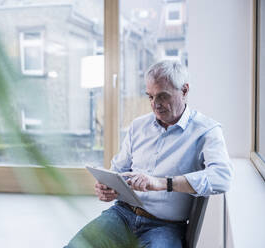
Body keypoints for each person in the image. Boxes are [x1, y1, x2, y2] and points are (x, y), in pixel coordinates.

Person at [65, 60, 233, 248]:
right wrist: (108, 188)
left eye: (162, 96)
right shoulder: (138, 126)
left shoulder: (206, 131)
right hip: (122, 215)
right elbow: (118, 169)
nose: (155, 104)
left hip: (165, 226)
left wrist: (161, 183)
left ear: (184, 91)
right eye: (150, 97)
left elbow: (222, 178)